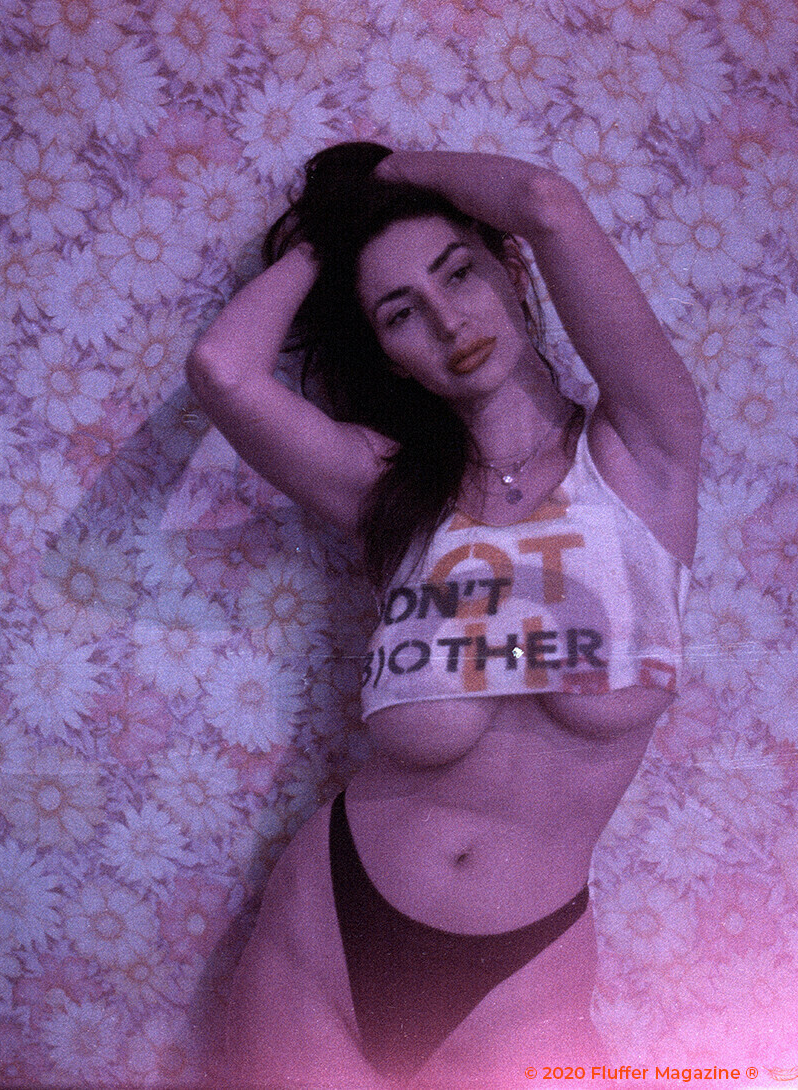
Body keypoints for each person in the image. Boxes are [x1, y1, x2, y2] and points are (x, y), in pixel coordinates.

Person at [187, 142, 702, 1088]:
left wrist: (393, 175)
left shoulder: (643, 454)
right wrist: (330, 232)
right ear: (387, 353)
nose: (447, 319)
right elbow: (223, 371)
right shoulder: (390, 489)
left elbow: (546, 200)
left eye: (457, 272)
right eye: (401, 314)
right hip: (325, 937)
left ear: (509, 267)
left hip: (523, 983)